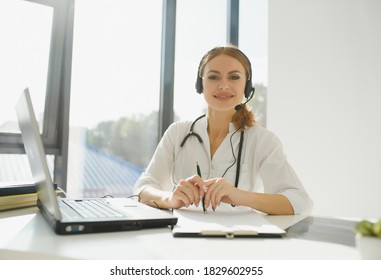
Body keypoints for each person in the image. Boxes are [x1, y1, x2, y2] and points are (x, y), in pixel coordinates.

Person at [133, 45, 312, 215]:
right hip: (180, 239)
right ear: (200, 84)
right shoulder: (177, 133)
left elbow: (300, 201)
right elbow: (142, 188)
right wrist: (169, 198)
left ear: (247, 86)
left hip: (238, 241)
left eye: (234, 77)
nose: (223, 86)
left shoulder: (262, 140)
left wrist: (240, 196)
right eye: (213, 77)